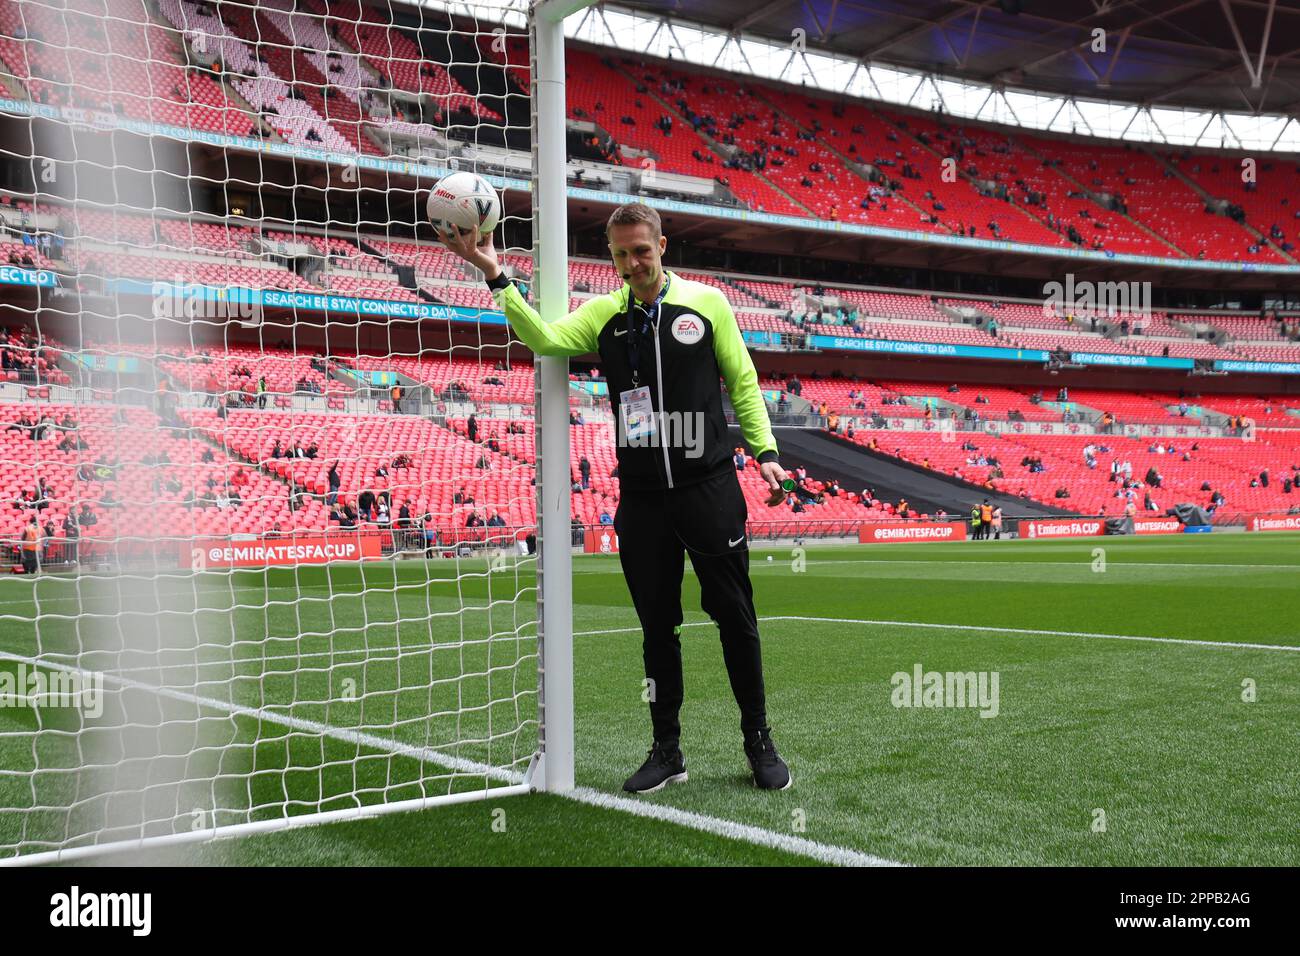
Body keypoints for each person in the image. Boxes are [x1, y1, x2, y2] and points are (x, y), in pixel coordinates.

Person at [441, 200, 792, 792]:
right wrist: (494, 274)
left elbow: (743, 381)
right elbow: (546, 340)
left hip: (709, 487)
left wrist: (767, 454)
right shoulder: (605, 314)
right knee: (657, 628)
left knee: (736, 618)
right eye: (622, 254)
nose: (633, 263)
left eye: (642, 251)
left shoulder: (707, 305)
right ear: (612, 256)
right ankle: (667, 749)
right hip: (644, 501)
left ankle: (759, 740)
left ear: (662, 247)